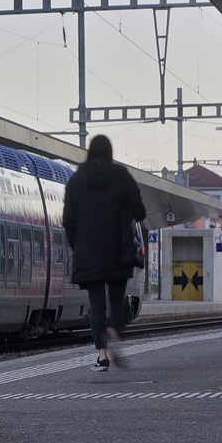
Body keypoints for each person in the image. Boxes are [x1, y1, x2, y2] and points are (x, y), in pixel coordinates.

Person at [62, 135, 147, 371]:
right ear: (109, 152)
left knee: (96, 303)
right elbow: (140, 212)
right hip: (118, 249)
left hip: (88, 251)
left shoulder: (76, 180)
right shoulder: (121, 176)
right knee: (117, 300)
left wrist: (77, 245)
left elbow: (68, 220)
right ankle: (113, 331)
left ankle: (102, 355)